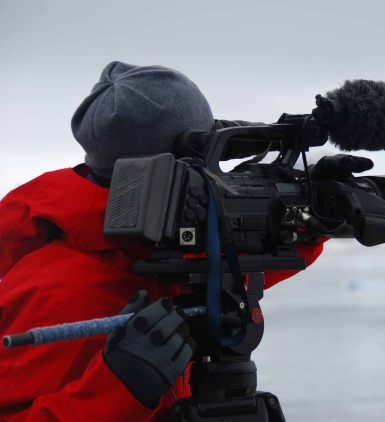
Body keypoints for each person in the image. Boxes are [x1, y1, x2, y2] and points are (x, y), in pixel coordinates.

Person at [0, 61, 325, 421]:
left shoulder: (169, 247)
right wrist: (120, 387)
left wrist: (315, 212)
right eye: (208, 155)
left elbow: (240, 265)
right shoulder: (49, 293)